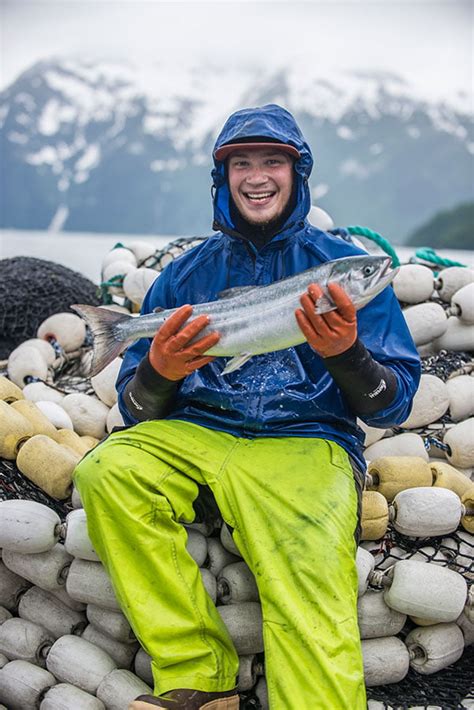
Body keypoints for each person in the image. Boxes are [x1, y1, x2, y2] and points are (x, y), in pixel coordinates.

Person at [74, 104, 421, 710]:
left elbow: (393, 406)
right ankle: (198, 678)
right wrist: (161, 369)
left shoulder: (341, 268)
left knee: (311, 575)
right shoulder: (185, 275)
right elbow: (136, 410)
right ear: (223, 177)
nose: (256, 176)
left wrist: (346, 353)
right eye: (241, 163)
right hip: (196, 431)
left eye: (272, 162)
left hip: (306, 441)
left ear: (298, 173)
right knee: (108, 471)